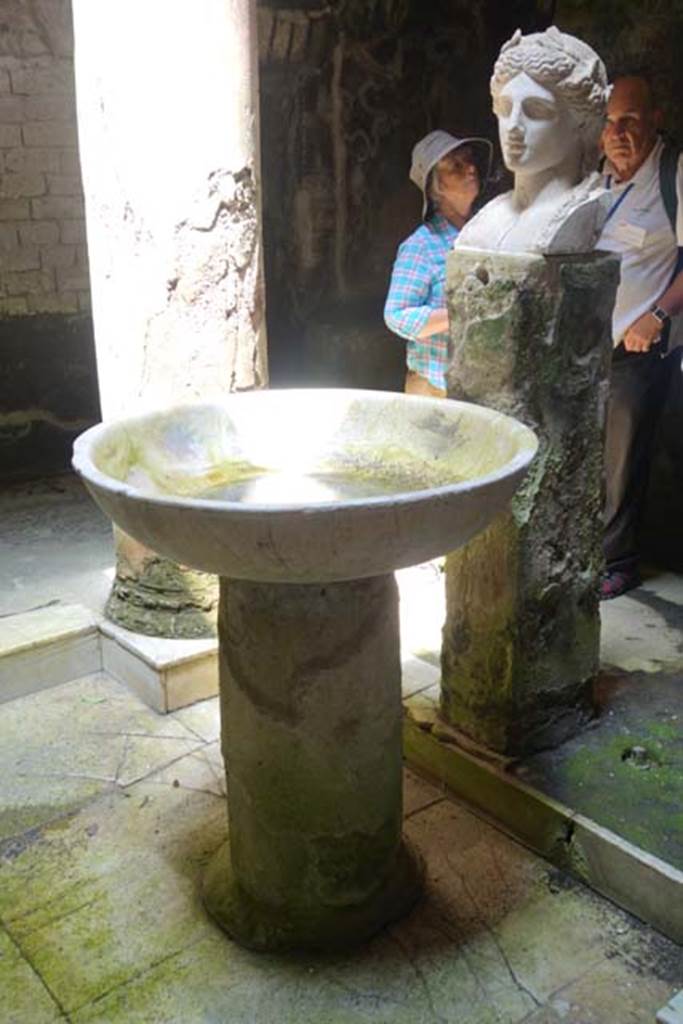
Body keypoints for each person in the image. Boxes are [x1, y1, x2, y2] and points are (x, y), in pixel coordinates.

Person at [598, 72, 683, 599]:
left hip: (640, 345)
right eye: (609, 122)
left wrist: (656, 314)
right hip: (592, 345)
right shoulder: (599, 178)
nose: (618, 133)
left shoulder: (674, 173)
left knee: (625, 459)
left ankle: (619, 561)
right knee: (595, 455)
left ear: (655, 119)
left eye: (629, 119)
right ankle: (591, 549)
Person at [455, 26, 609, 255]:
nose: (513, 125)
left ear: (582, 123)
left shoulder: (580, 213)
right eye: (506, 108)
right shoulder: (487, 221)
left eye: (536, 110)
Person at [384, 129, 492, 397]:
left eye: (469, 160)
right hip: (434, 390)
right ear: (436, 187)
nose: (470, 169)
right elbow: (396, 316)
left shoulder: (485, 233)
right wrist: (460, 314)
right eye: (455, 165)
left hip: (476, 386)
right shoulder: (422, 245)